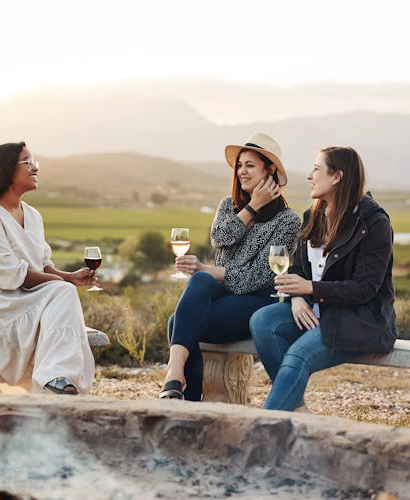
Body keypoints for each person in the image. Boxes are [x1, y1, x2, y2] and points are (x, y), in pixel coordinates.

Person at [249, 146, 397, 411]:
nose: (309, 175)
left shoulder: (373, 222)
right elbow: (297, 269)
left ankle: (262, 433)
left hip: (358, 320)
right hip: (316, 313)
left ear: (337, 177)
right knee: (263, 321)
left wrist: (310, 288)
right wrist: (296, 297)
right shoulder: (315, 215)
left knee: (298, 355)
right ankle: (297, 411)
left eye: (316, 168)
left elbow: (366, 288)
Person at [159, 132, 301, 401]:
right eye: (239, 165)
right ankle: (175, 375)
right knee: (199, 282)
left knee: (177, 321)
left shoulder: (288, 221)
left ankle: (183, 394)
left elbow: (256, 278)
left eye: (250, 165)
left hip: (256, 301)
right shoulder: (228, 206)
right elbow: (220, 238)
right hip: (220, 293)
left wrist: (206, 269)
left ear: (269, 170)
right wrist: (252, 207)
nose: (241, 172)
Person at [0, 141, 96, 395]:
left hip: (25, 296)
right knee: (62, 293)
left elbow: (42, 264)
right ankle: (54, 378)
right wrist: (62, 285)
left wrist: (70, 277)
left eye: (35, 162)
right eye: (27, 162)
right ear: (6, 169)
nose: (35, 168)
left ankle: (57, 378)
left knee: (63, 291)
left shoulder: (32, 215)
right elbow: (12, 276)